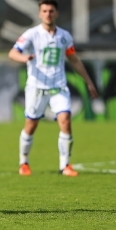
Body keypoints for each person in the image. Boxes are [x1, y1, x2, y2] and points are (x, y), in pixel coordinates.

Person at [8, 0, 98, 177]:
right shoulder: (32, 34)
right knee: (31, 125)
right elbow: (13, 53)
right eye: (45, 11)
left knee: (65, 120)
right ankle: (23, 162)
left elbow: (74, 60)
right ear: (40, 14)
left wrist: (88, 81)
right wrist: (25, 58)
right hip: (37, 87)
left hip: (58, 87)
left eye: (51, 11)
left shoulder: (64, 36)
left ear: (56, 13)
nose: (48, 14)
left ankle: (65, 166)